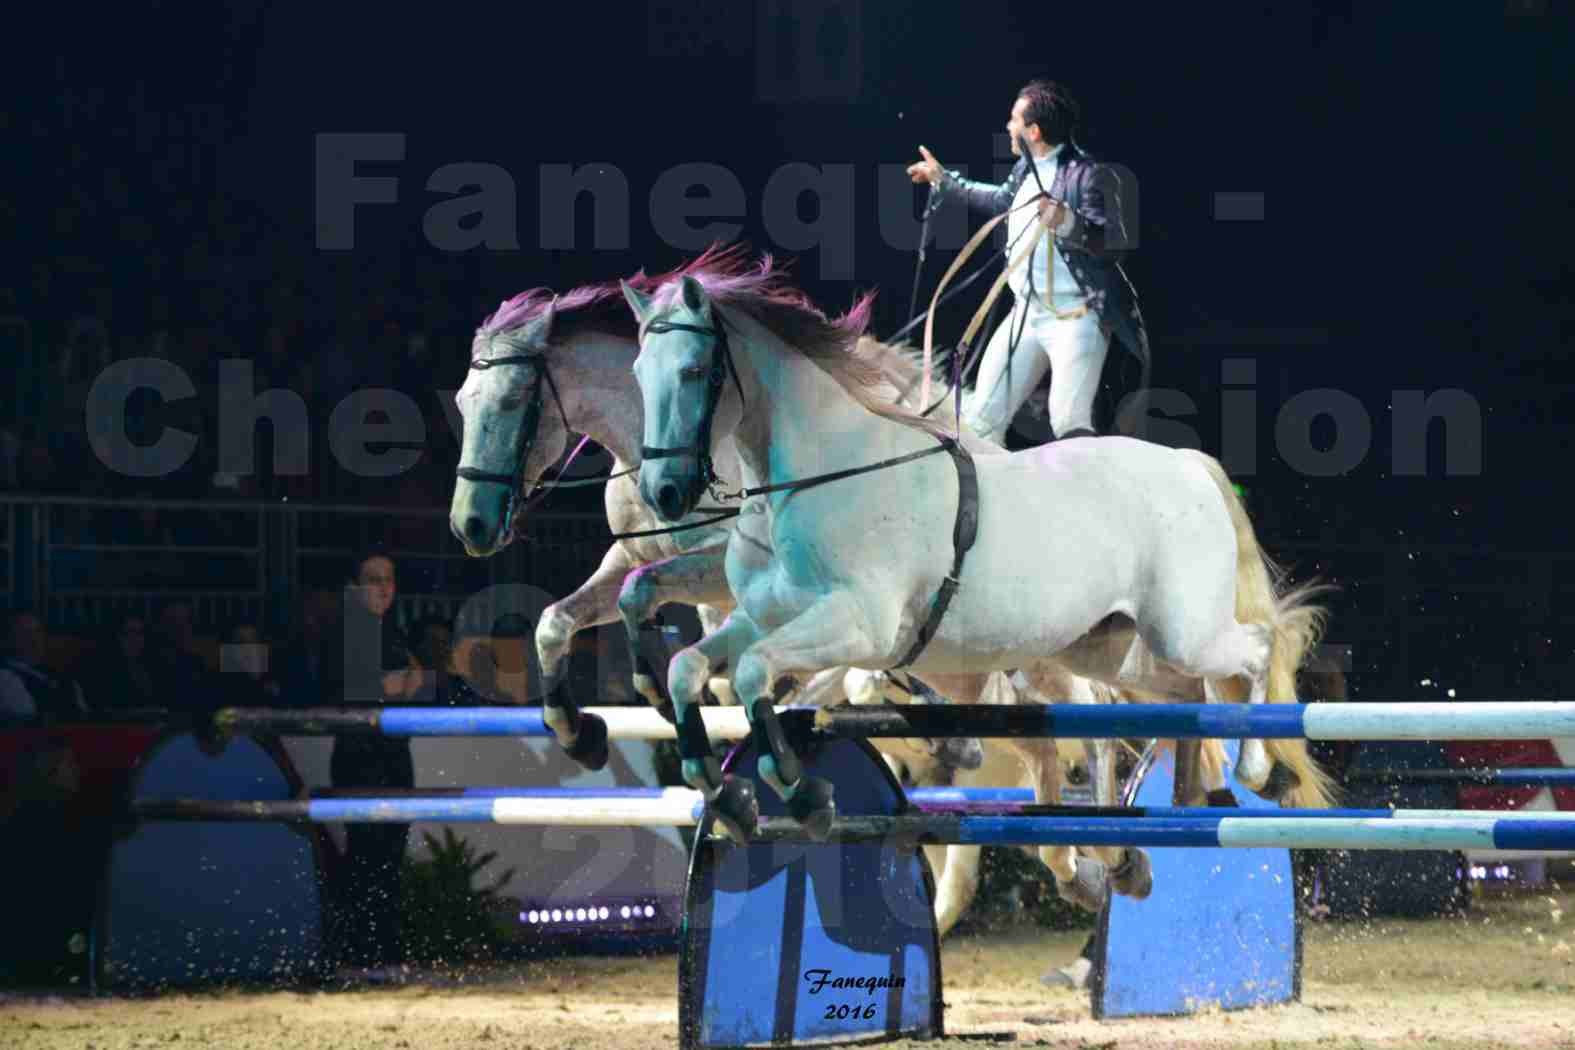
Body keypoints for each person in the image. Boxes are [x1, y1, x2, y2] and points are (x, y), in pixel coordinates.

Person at [907, 79, 1150, 445]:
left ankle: (1090, 497)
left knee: (1069, 420)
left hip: (1076, 319)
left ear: (1033, 131)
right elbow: (1000, 202)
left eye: (1014, 120)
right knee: (981, 420)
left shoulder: (1088, 174)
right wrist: (944, 180)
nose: (1009, 127)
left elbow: (1114, 244)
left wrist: (1066, 221)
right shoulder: (1025, 169)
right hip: (1026, 315)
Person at [319, 547, 422, 982]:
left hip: (393, 756)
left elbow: (413, 679)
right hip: (360, 758)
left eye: (389, 579)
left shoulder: (390, 632)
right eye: (373, 578)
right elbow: (378, 686)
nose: (383, 587)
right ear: (354, 587)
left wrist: (399, 683)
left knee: (388, 862)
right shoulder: (347, 631)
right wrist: (398, 683)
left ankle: (384, 956)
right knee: (364, 860)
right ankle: (356, 957)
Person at [0, 609, 89, 725]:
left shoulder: (65, 678)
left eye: (38, 632)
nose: (34, 640)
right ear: (7, 640)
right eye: (24, 633)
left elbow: (84, 716)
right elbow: (25, 715)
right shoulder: (4, 678)